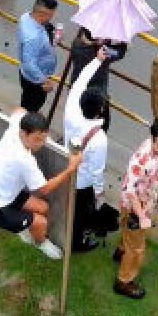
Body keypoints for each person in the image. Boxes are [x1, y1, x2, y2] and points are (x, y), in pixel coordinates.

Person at [0, 110, 82, 259]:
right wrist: (71, 169)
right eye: (37, 139)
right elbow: (44, 189)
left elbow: (18, 110)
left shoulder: (16, 126)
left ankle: (24, 225)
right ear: (24, 133)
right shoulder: (24, 160)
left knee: (44, 207)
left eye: (44, 138)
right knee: (41, 222)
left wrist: (33, 117)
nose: (41, 144)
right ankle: (41, 243)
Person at [113, 120, 158, 299]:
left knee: (129, 235)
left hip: (147, 198)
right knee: (137, 248)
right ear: (152, 138)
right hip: (136, 205)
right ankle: (124, 280)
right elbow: (131, 192)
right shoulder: (141, 160)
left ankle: (121, 251)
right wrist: (141, 215)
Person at [64, 46, 112, 252]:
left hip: (66, 166)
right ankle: (77, 242)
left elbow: (80, 81)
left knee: (69, 208)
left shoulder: (71, 109)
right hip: (83, 182)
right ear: (101, 109)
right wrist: (99, 193)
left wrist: (97, 60)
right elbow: (96, 171)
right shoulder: (98, 138)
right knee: (80, 215)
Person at [17, 0, 59, 112]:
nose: (52, 18)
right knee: (32, 106)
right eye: (51, 15)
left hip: (28, 75)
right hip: (35, 80)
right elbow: (30, 64)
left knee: (27, 101)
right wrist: (44, 81)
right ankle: (26, 125)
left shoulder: (26, 17)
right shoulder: (33, 37)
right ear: (42, 14)